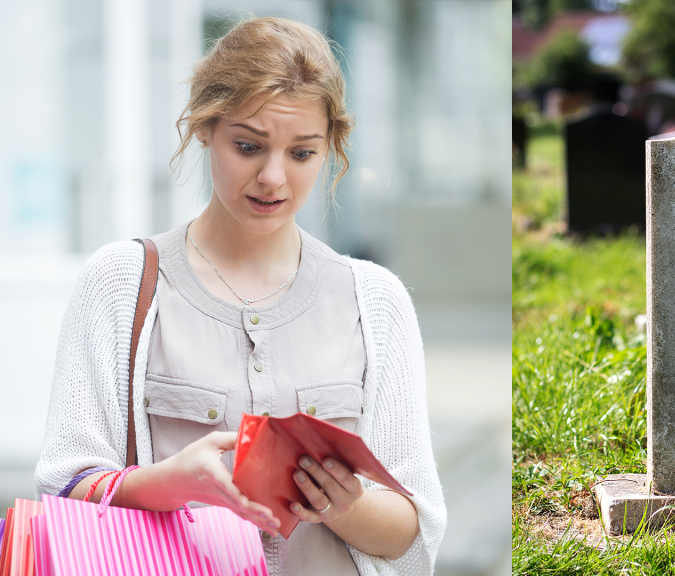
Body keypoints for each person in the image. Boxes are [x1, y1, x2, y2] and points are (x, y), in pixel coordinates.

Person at [33, 17, 445, 576]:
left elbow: (413, 533)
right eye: (248, 146)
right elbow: (64, 484)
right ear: (205, 128)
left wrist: (343, 502)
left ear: (331, 148)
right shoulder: (121, 282)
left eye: (302, 154)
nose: (273, 177)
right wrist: (170, 482)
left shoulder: (376, 301)